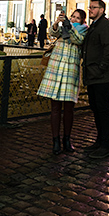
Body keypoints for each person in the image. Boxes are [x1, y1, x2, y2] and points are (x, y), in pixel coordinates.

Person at [37, 9, 88, 154]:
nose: (73, 19)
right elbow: (52, 33)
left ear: (82, 21)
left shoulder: (84, 30)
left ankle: (67, 139)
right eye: (72, 16)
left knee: (69, 109)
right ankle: (55, 141)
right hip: (56, 69)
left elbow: (77, 39)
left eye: (77, 18)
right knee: (55, 108)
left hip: (70, 72)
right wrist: (56, 23)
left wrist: (69, 26)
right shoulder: (63, 28)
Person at [82, 0, 109, 159]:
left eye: (93, 7)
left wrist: (101, 68)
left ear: (102, 9)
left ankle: (106, 145)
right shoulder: (95, 26)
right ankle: (99, 141)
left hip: (102, 76)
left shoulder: (106, 25)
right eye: (89, 7)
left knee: (103, 110)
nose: (90, 10)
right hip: (93, 75)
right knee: (95, 109)